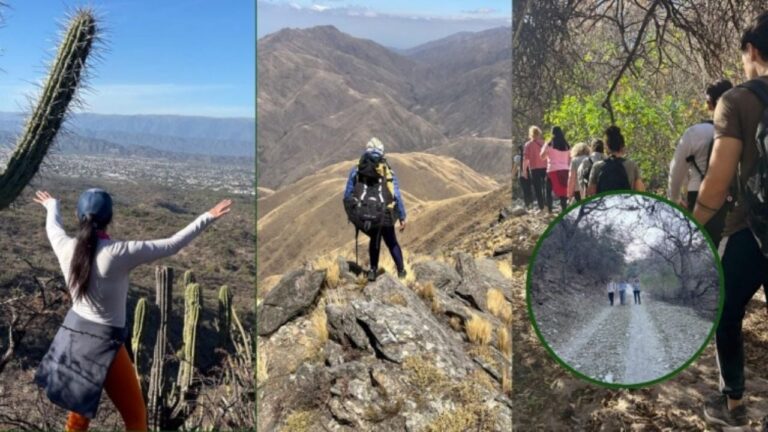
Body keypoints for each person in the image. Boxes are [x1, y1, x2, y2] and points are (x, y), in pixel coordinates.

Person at [32, 188, 232, 432]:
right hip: (105, 341)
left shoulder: (66, 246)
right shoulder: (118, 253)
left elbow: (53, 226)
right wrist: (207, 216)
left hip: (73, 335)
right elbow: (172, 244)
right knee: (136, 418)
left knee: (79, 415)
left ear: (78, 215)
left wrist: (52, 205)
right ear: (110, 217)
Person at [694, 11, 768, 427]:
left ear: (752, 50)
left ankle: (734, 403)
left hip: (751, 232)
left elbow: (717, 185)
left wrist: (692, 221)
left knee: (726, 311)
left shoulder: (736, 101)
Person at [668, 79, 734, 247]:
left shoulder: (695, 132)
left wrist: (674, 198)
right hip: (732, 198)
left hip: (698, 195)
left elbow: (676, 169)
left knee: (701, 247)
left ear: (710, 104)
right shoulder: (740, 130)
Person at [344, 137, 407, 282]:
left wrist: (352, 213)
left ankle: (372, 270)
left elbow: (348, 194)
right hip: (385, 213)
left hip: (365, 212)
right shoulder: (387, 170)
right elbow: (396, 195)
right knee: (391, 241)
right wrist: (402, 216)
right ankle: (402, 272)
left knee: (375, 238)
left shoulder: (358, 168)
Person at [586, 126, 645, 196]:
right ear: (622, 146)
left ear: (606, 146)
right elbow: (640, 192)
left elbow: (591, 193)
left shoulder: (597, 166)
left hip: (605, 206)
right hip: (626, 205)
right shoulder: (631, 165)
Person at [540, 126, 571, 213]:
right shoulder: (566, 145)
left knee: (548, 190)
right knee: (563, 190)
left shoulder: (550, 143)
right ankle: (564, 210)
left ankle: (550, 210)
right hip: (565, 169)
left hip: (552, 170)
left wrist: (547, 154)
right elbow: (570, 157)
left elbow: (542, 156)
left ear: (552, 133)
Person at [522, 126, 549, 212]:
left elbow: (526, 159)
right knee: (546, 187)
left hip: (534, 169)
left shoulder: (528, 145)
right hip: (545, 168)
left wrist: (524, 171)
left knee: (538, 188)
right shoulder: (544, 143)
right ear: (539, 133)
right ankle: (547, 204)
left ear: (530, 134)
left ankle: (541, 206)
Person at [515, 142, 534, 209]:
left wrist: (513, 175)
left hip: (521, 175)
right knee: (529, 189)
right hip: (528, 174)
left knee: (525, 190)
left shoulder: (517, 158)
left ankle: (527, 204)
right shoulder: (528, 156)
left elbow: (515, 168)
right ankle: (531, 204)